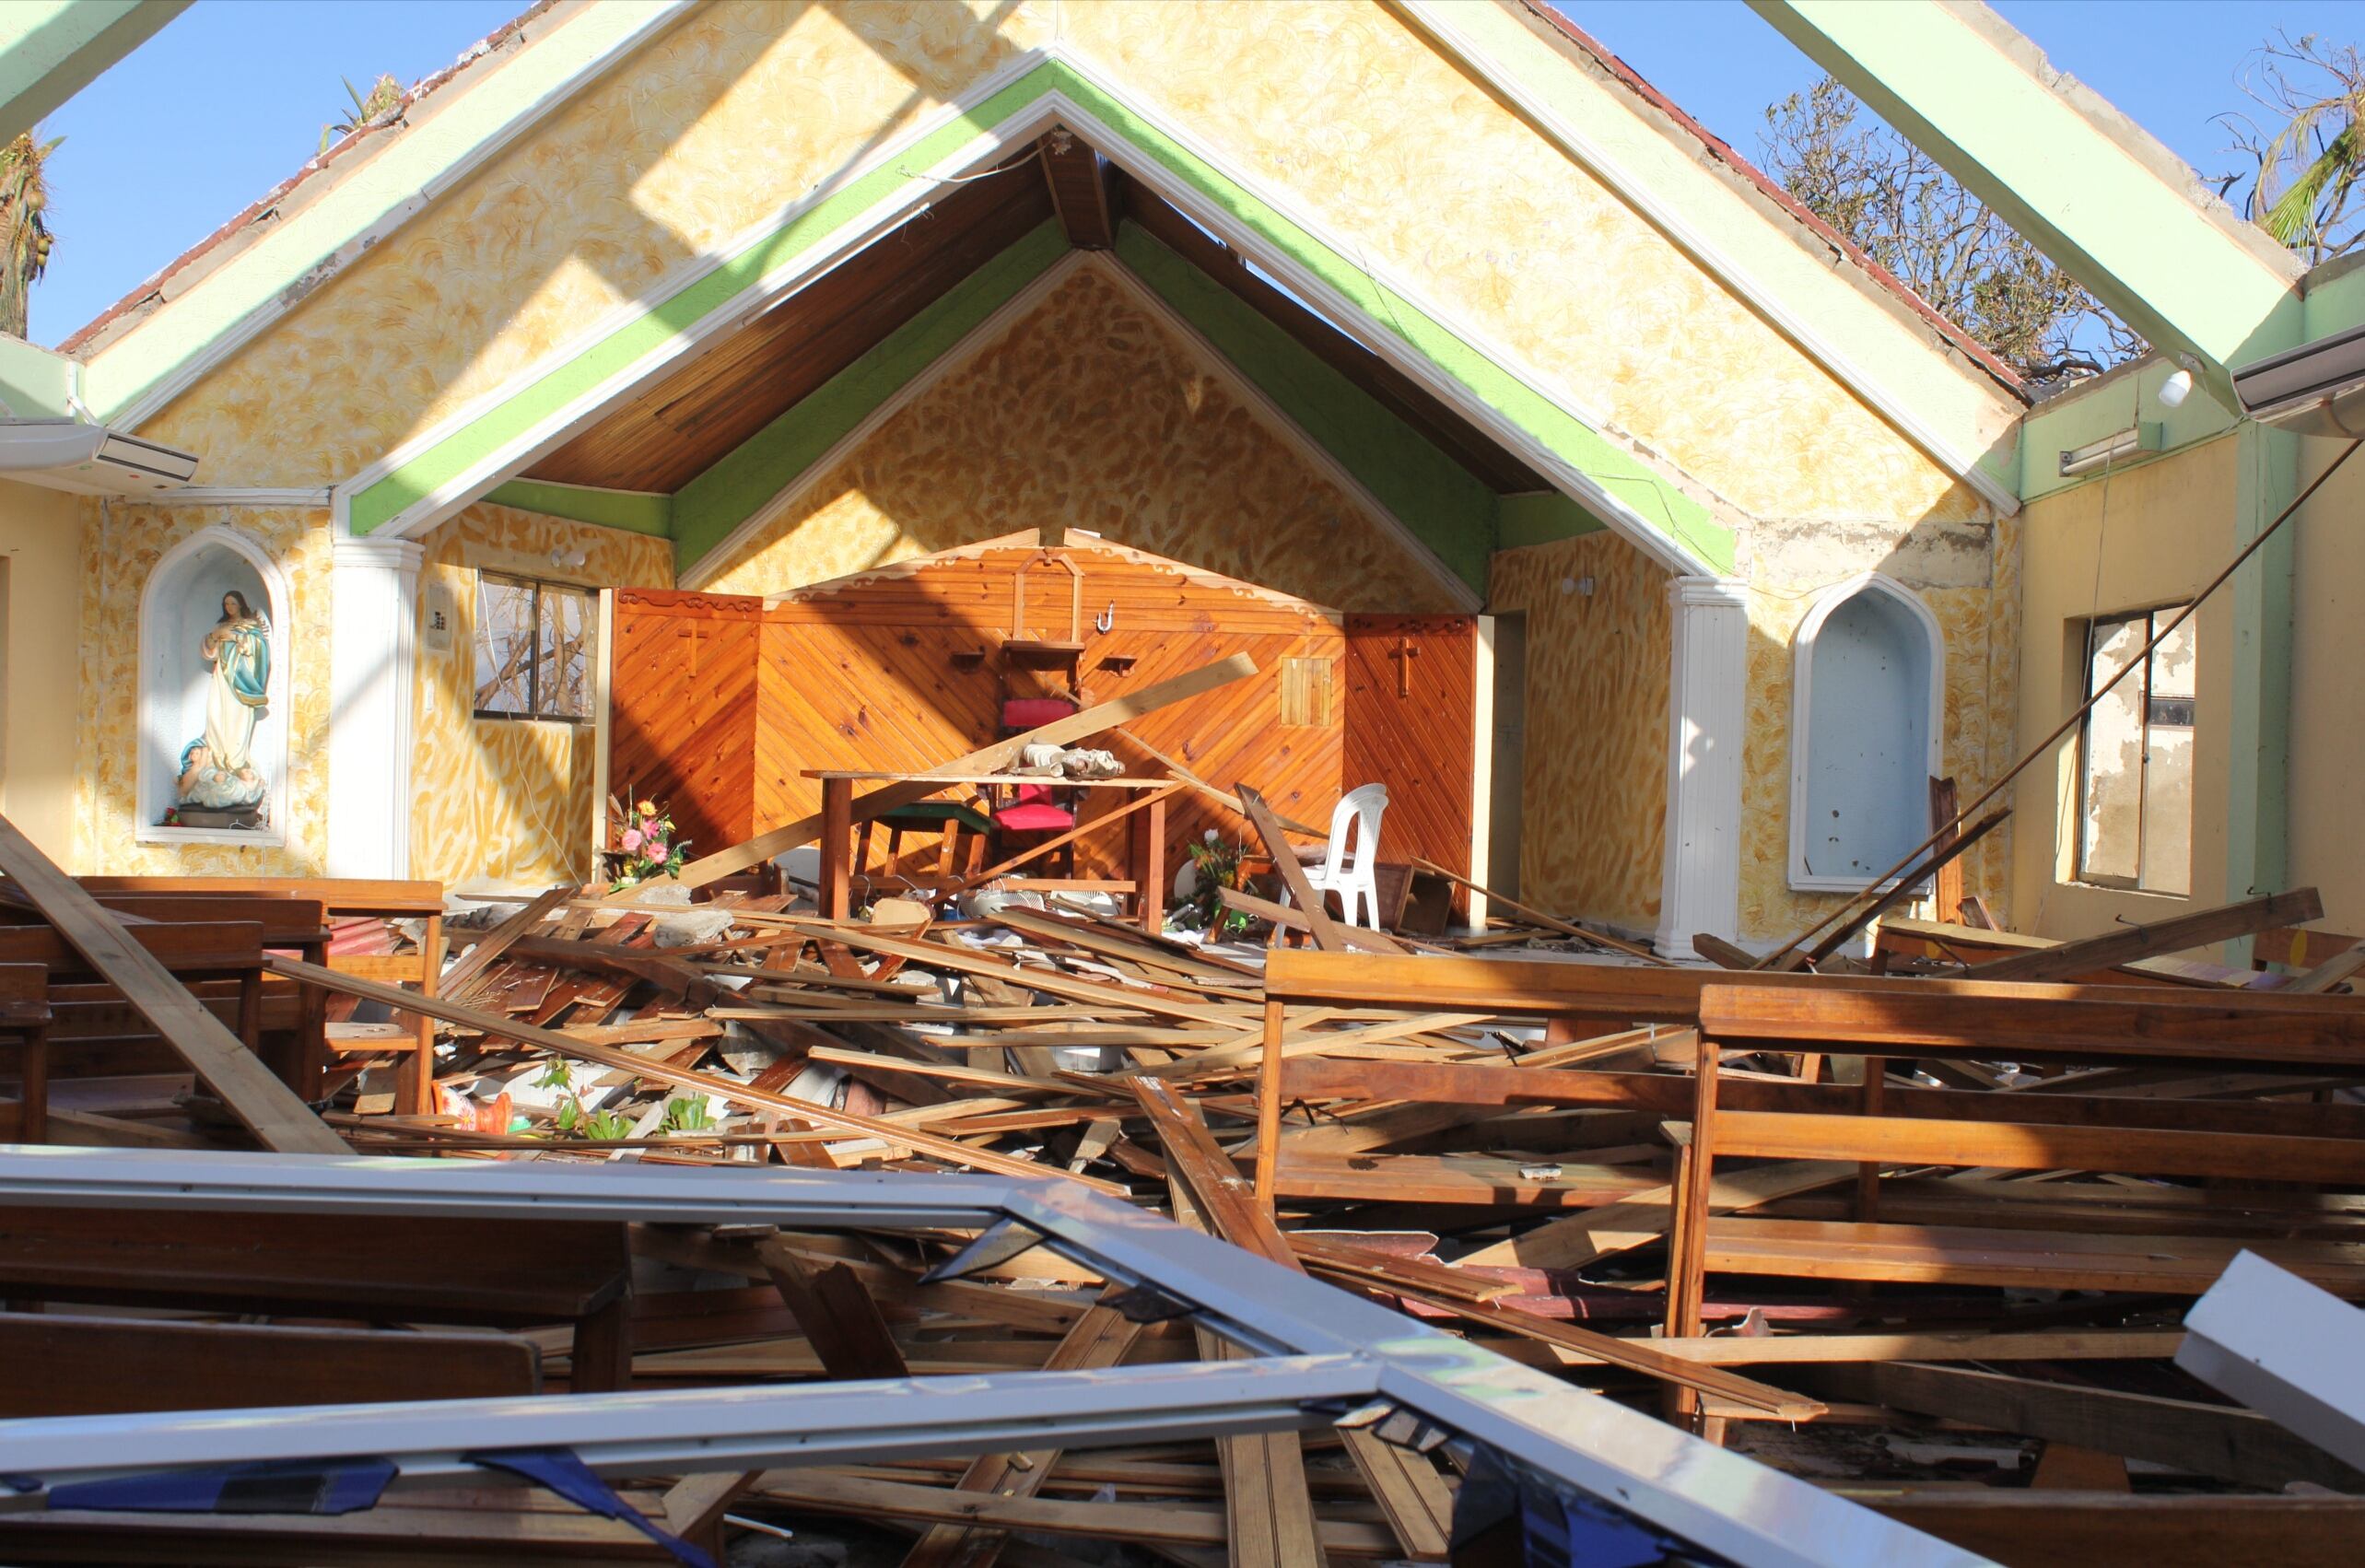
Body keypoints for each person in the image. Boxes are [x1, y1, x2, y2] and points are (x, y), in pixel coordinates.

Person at [175, 591, 270, 811]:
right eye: (226, 603)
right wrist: (215, 635)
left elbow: (259, 651)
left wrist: (237, 638)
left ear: (241, 604)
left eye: (233, 603)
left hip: (240, 682)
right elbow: (210, 653)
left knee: (238, 722)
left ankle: (236, 765)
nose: (229, 607)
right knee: (215, 716)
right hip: (221, 680)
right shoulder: (221, 626)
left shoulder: (250, 626)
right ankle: (217, 762)